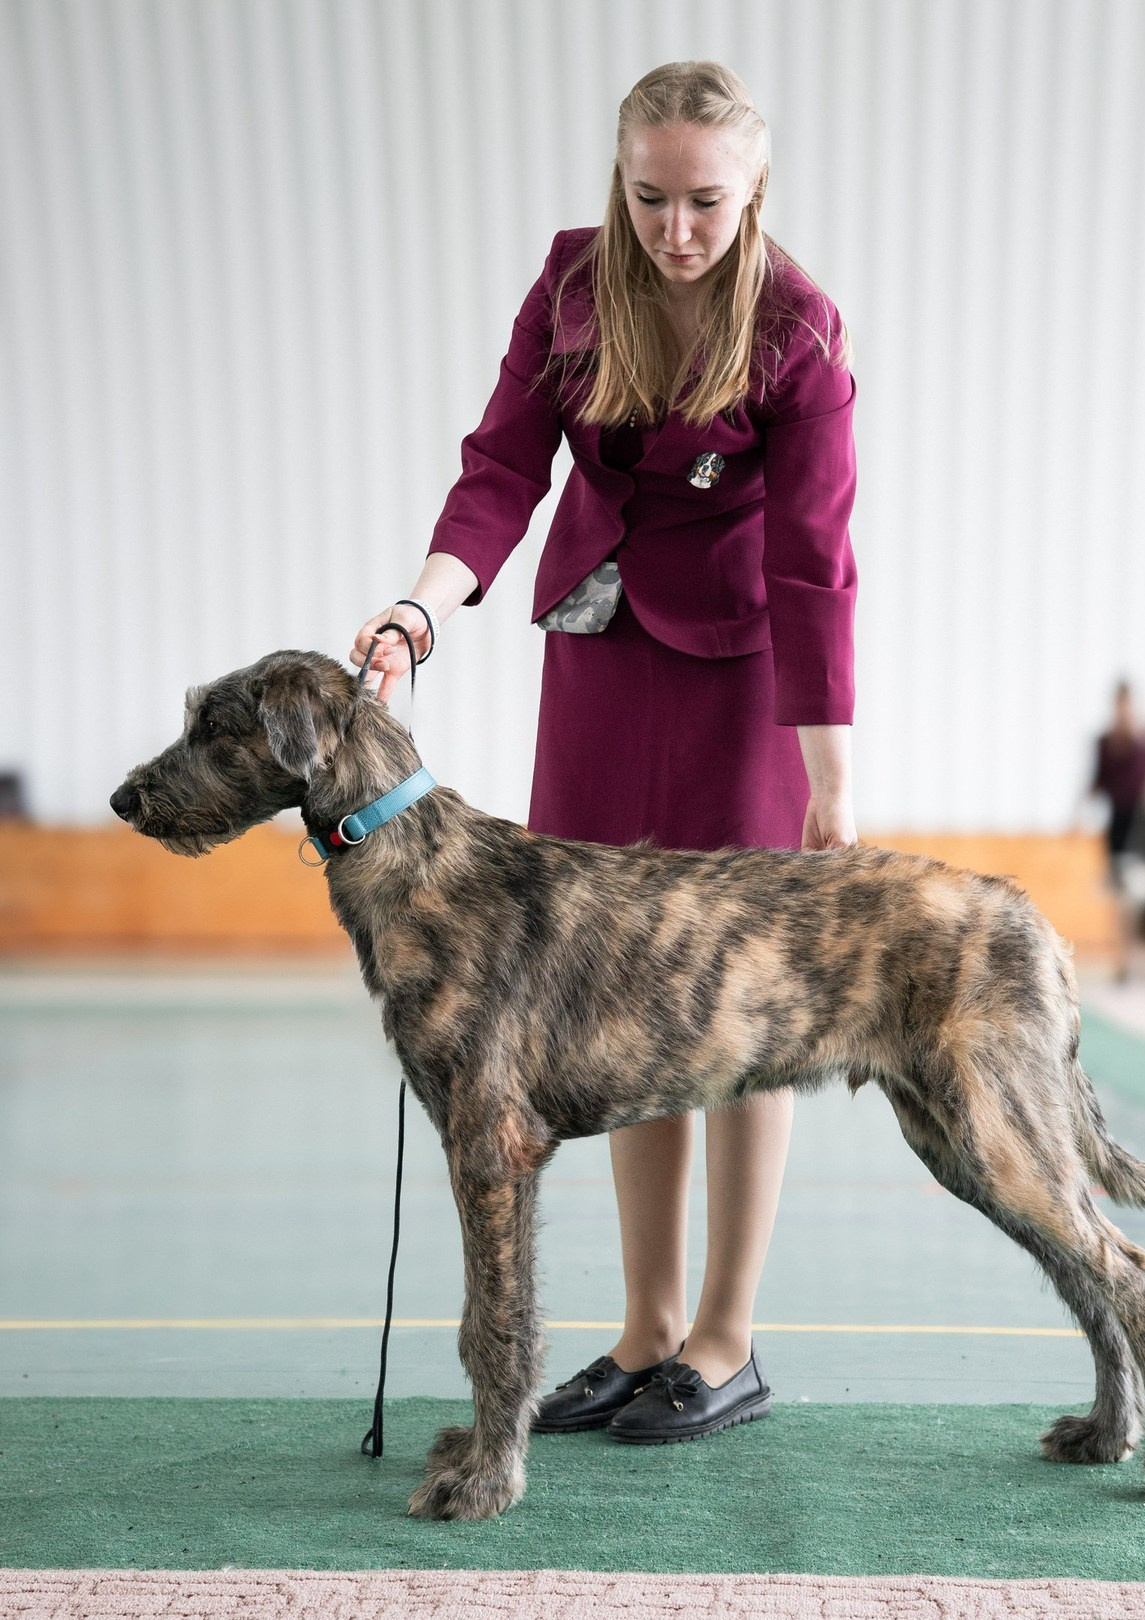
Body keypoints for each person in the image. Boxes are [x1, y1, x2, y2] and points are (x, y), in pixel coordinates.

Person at [352, 61, 857, 1444]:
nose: (676, 228)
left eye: (705, 201)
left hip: (747, 675)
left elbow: (817, 559)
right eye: (650, 197)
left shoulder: (800, 326)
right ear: (618, 178)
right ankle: (643, 1334)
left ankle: (726, 1339)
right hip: (599, 655)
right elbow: (503, 467)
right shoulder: (575, 286)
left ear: (753, 189)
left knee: (743, 1006)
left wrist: (826, 764)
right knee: (625, 993)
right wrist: (420, 608)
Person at [1089, 681, 1145, 981]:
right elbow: (1096, 779)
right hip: (1120, 826)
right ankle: (1124, 964)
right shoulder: (1104, 742)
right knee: (1121, 899)